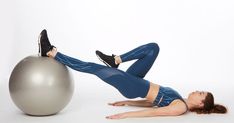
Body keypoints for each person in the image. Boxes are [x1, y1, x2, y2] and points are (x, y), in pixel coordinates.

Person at [38, 29, 227, 119]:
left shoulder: (180, 107)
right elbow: (152, 101)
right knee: (153, 48)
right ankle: (116, 59)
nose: (197, 91)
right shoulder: (180, 99)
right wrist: (127, 102)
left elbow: (153, 113)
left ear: (201, 103)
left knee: (93, 68)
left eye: (200, 93)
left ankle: (51, 53)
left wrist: (126, 114)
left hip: (133, 86)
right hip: (137, 82)